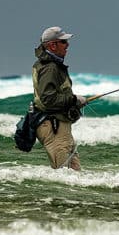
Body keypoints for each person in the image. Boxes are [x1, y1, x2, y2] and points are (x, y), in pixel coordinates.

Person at [32, 26, 87, 170]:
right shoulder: (50, 68)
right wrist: (74, 100)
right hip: (54, 126)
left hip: (57, 125)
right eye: (63, 42)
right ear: (52, 45)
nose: (67, 45)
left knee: (74, 174)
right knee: (64, 176)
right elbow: (48, 100)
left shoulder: (50, 64)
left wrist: (72, 102)